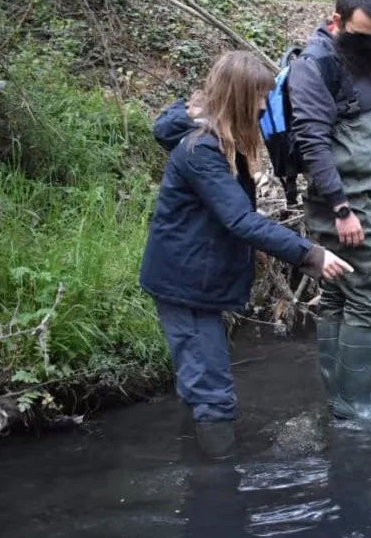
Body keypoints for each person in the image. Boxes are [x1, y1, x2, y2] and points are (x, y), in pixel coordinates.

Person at [140, 51, 352, 460]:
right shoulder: (201, 150)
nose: (261, 107)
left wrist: (250, 248)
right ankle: (219, 486)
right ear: (237, 97)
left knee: (198, 381)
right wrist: (310, 254)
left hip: (192, 277)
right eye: (257, 97)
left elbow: (224, 216)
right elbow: (238, 218)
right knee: (214, 393)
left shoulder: (222, 142)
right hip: (184, 285)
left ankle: (197, 462)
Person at [287, 0, 371, 426]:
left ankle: (344, 391)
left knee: (338, 294)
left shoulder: (355, 56)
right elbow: (314, 144)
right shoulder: (312, 66)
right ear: (336, 20)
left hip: (370, 193)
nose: (367, 43)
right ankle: (354, 404)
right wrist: (341, 210)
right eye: (359, 35)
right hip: (347, 205)